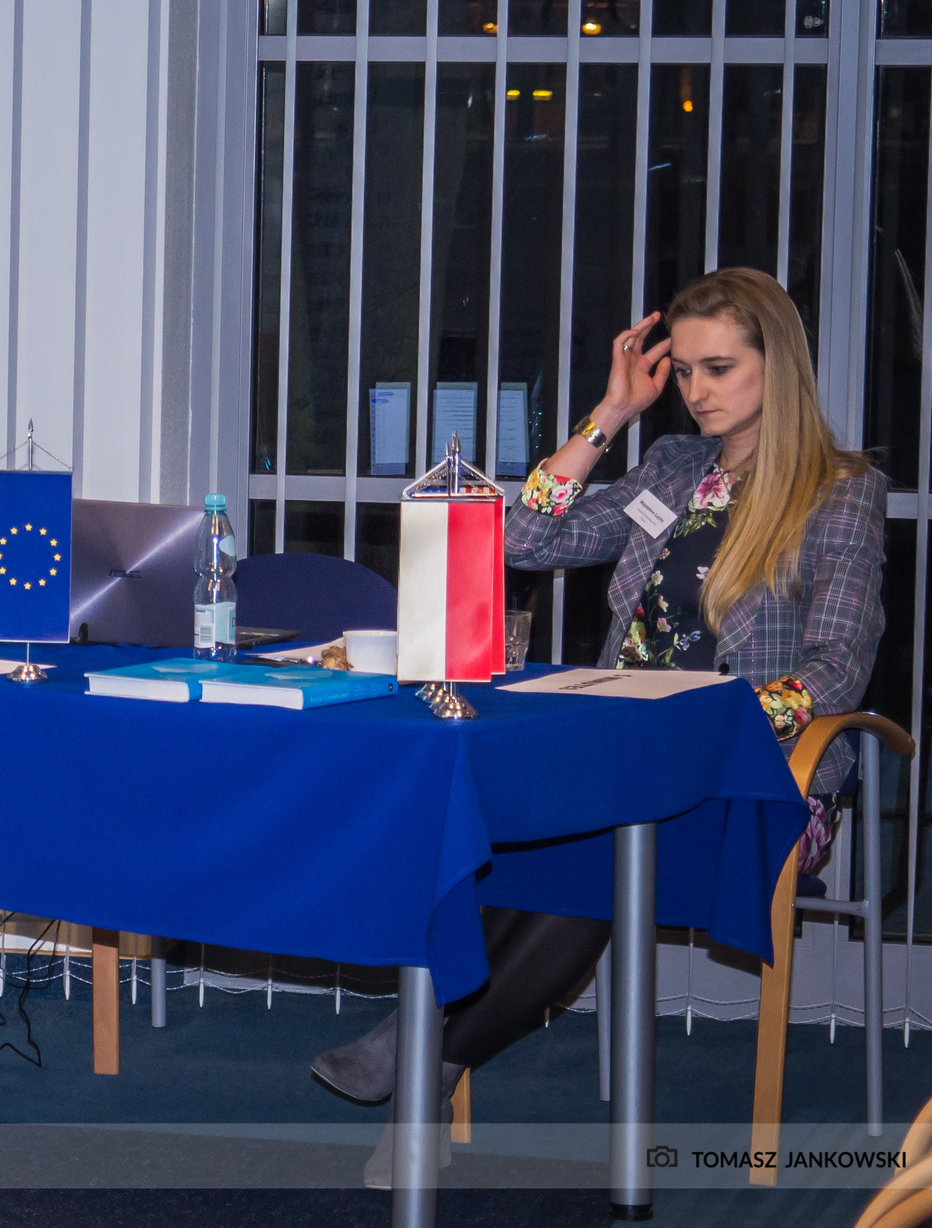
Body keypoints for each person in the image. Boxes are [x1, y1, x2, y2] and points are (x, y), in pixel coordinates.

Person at [309, 267, 886, 1184]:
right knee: (525, 826)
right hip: (624, 755)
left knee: (600, 845)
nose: (695, 391)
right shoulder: (675, 470)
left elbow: (835, 668)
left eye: (719, 369)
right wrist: (609, 415)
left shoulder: (839, 492)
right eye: (683, 371)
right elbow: (521, 541)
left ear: (778, 365)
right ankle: (430, 1072)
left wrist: (709, 722)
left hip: (757, 771)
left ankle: (420, 1061)